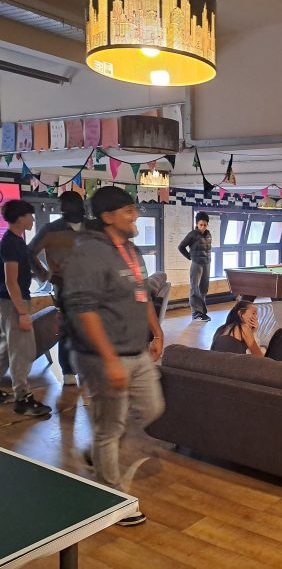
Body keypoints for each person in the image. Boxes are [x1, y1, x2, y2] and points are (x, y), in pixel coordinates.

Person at [62, 186, 164, 526]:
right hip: (102, 355)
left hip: (136, 350)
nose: (136, 216)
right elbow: (84, 310)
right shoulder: (89, 254)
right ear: (108, 217)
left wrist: (157, 332)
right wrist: (108, 360)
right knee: (110, 426)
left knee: (152, 408)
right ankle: (111, 500)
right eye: (129, 211)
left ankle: (100, 448)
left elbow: (142, 294)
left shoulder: (131, 250)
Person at [28, 191, 89, 386]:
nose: (66, 210)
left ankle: (87, 368)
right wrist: (46, 275)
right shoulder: (51, 230)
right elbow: (29, 252)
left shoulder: (92, 228)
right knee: (67, 329)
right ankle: (68, 371)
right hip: (65, 287)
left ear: (81, 207)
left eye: (70, 206)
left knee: (90, 328)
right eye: (64, 207)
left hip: (92, 287)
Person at [0, 200, 51, 416]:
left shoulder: (16, 241)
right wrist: (22, 312)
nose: (33, 219)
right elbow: (11, 281)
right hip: (14, 303)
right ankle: (22, 399)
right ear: (20, 218)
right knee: (22, 351)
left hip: (10, 302)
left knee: (6, 349)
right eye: (30, 215)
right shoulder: (11, 243)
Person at [178, 211, 212, 322]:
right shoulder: (192, 234)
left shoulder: (208, 234)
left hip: (207, 264)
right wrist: (190, 257)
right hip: (196, 264)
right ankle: (196, 314)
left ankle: (202, 312)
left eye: (205, 225)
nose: (203, 227)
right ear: (197, 224)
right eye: (201, 225)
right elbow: (181, 247)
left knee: (204, 289)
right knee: (195, 288)